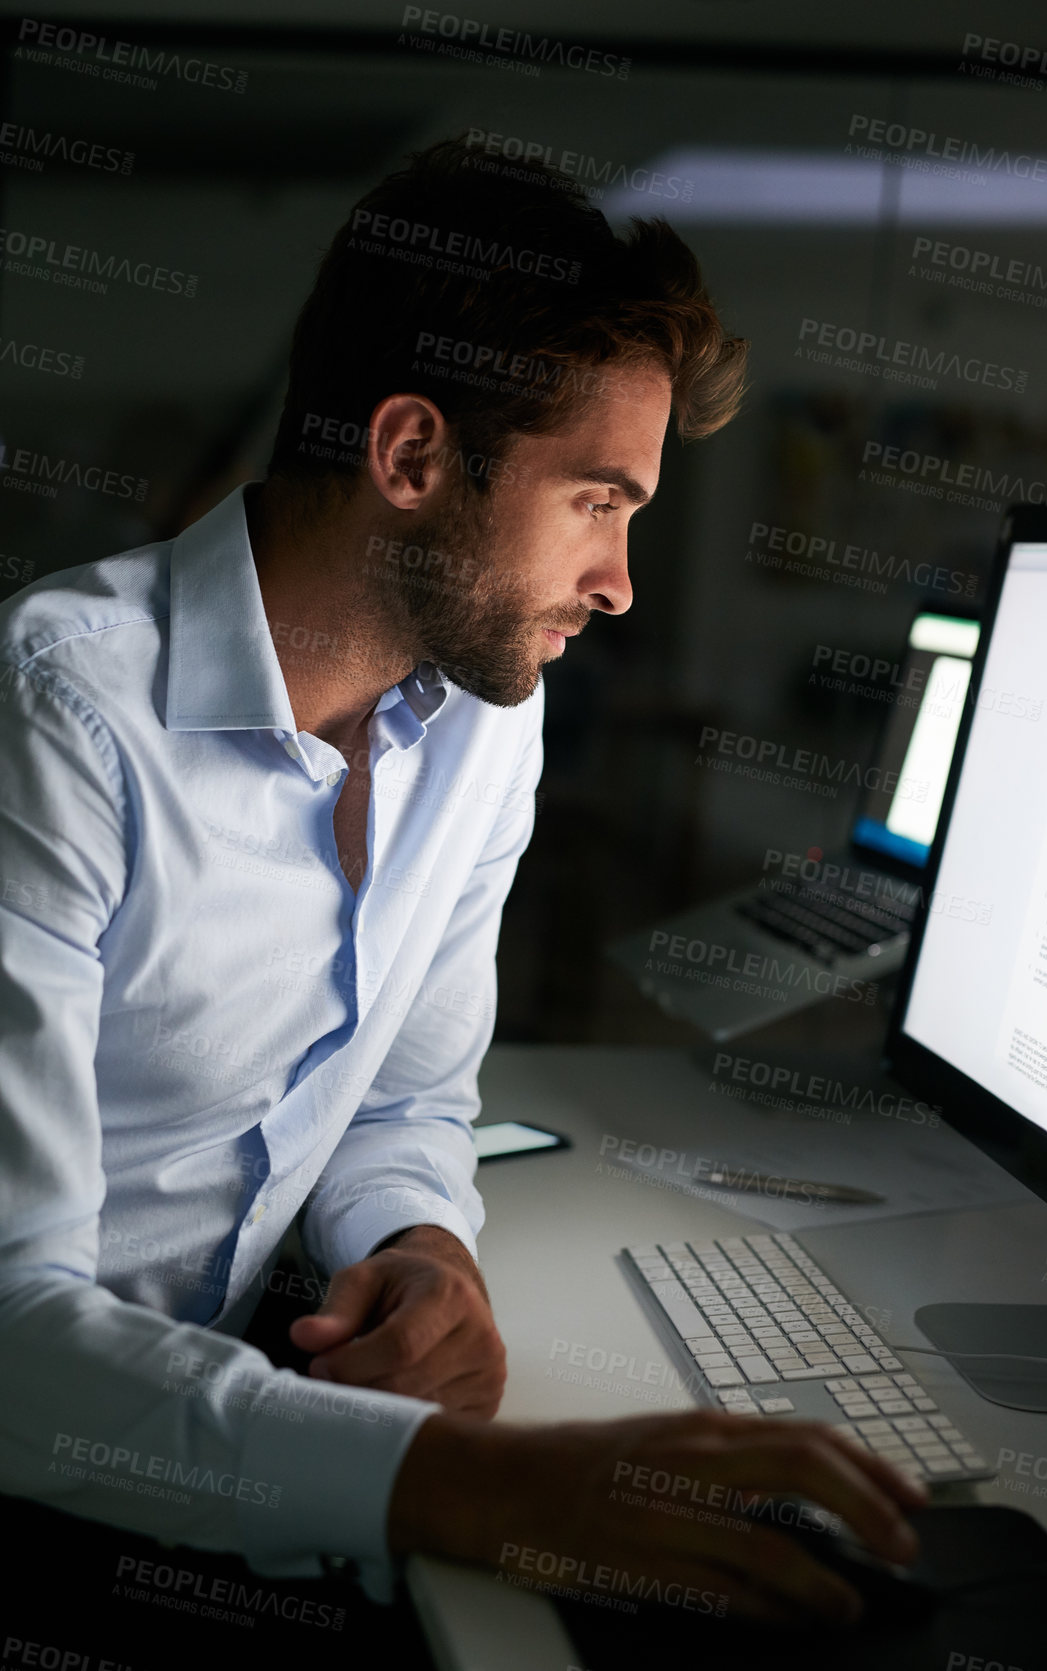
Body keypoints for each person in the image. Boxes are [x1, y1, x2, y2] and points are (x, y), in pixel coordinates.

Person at [0, 133, 924, 1631]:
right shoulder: (57, 720)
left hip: (261, 1408)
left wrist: (420, 1249)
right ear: (413, 456)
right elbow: (9, 1330)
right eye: (599, 502)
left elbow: (403, 1100)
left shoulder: (488, 712)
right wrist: (468, 1482)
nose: (621, 583)